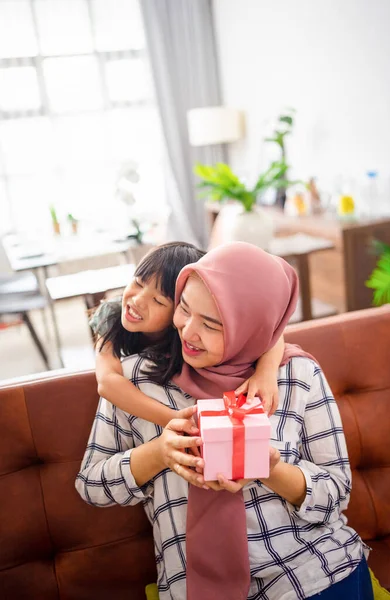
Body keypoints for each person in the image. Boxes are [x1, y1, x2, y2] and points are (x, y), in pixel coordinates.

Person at [76, 242, 373, 600]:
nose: (187, 332)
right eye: (184, 309)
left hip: (313, 572)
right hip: (197, 587)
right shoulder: (135, 381)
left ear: (251, 327)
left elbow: (336, 494)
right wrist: (160, 453)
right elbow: (91, 485)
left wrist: (271, 469)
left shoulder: (295, 374)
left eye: (212, 325)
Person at [89, 241, 284, 427]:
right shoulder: (111, 316)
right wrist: (176, 420)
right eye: (138, 283)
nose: (138, 300)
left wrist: (265, 373)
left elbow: (271, 333)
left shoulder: (188, 328)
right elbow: (107, 382)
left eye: (158, 301)